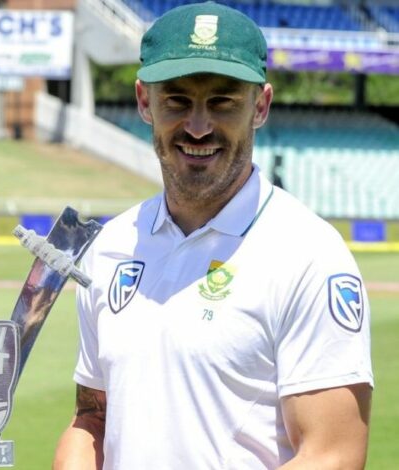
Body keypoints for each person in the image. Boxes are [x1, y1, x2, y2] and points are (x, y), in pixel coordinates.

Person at [54, 3, 372, 469]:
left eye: (223, 102)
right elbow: (92, 419)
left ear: (260, 106)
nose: (198, 127)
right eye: (177, 100)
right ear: (144, 101)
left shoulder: (309, 255)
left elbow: (334, 455)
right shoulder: (110, 247)